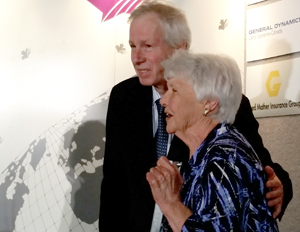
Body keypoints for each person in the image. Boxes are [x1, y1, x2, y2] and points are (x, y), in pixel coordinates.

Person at [99, 1, 292, 231]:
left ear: (180, 48)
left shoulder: (225, 102)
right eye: (132, 46)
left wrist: (277, 186)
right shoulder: (123, 98)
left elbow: (255, 168)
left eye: (147, 46)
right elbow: (113, 185)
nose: (136, 57)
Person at [146, 50, 279, 231]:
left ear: (209, 102)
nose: (164, 100)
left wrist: (170, 203)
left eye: (174, 90)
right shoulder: (207, 155)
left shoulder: (224, 160)